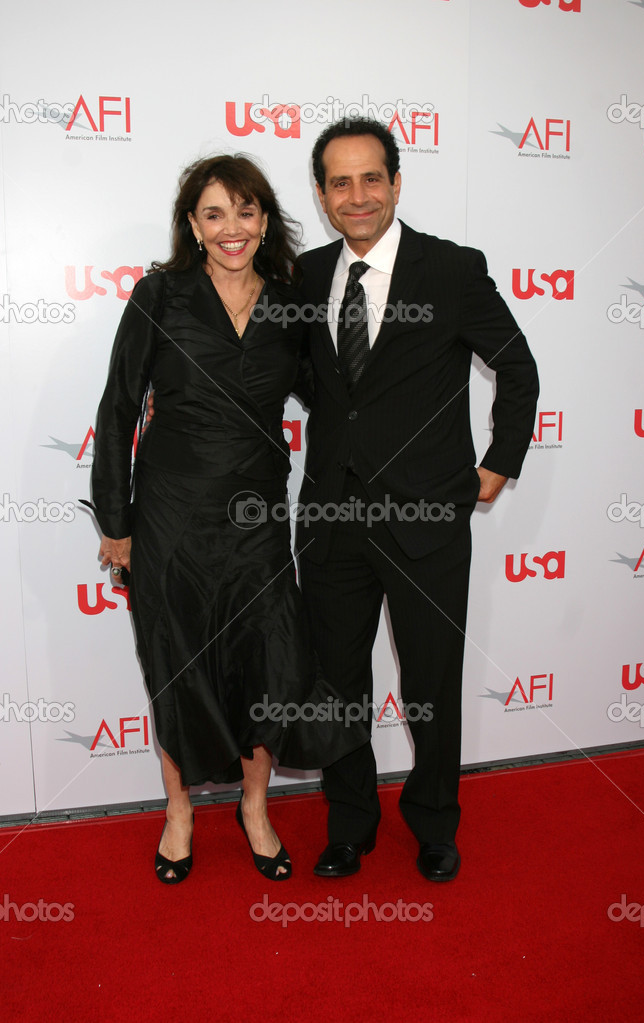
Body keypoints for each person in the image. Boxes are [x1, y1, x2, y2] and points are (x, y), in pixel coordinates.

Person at [89, 154, 362, 884]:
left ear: (265, 219)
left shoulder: (290, 303)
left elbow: (331, 400)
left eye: (245, 211)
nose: (232, 228)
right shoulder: (161, 295)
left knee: (267, 663)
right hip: (172, 519)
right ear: (192, 225)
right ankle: (179, 812)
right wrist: (117, 524)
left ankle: (254, 807)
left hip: (258, 520)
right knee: (177, 666)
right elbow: (118, 410)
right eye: (214, 214)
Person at [293, 118, 540, 881]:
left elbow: (518, 368)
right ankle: (350, 823)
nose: (358, 195)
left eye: (372, 178)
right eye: (341, 182)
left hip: (427, 518)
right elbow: (320, 385)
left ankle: (434, 821)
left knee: (431, 683)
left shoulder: (452, 270)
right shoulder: (302, 277)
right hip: (332, 518)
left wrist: (496, 465)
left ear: (397, 182)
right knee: (338, 685)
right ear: (324, 195)